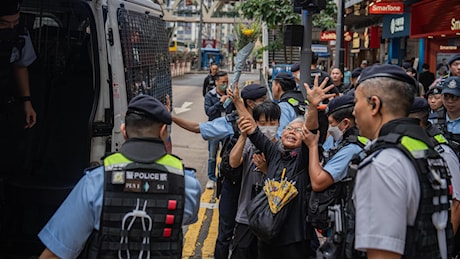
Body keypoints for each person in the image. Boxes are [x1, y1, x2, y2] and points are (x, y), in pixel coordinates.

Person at [38, 95, 201, 258]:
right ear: (163, 131)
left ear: (123, 131)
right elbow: (188, 218)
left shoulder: (95, 182)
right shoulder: (188, 185)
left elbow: (56, 252)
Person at [351, 64, 452, 258]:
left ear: (374, 105)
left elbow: (383, 254)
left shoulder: (383, 164)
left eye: (356, 102)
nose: (354, 111)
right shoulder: (426, 151)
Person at [172, 83, 268, 259]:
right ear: (250, 103)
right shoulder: (231, 122)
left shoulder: (271, 121)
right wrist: (171, 117)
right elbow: (198, 127)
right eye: (262, 100)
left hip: (261, 186)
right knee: (225, 233)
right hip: (234, 185)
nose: (266, 103)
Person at [232, 81, 319, 259]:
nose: (291, 132)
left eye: (297, 131)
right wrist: (238, 103)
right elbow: (252, 129)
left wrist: (312, 105)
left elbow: (311, 129)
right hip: (268, 235)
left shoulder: (302, 157)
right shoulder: (273, 152)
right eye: (288, 129)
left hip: (294, 238)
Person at [228, 100, 281, 259]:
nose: (268, 127)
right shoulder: (250, 144)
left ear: (279, 122)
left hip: (271, 218)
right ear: (256, 123)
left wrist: (266, 170)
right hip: (246, 215)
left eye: (272, 122)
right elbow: (233, 162)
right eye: (263, 123)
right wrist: (243, 136)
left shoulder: (282, 147)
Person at [409, 97, 460, 237]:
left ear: (418, 123)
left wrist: (448, 248)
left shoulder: (442, 151)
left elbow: (457, 203)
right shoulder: (414, 144)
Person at [1, 0, 37, 129]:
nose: (11, 28)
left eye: (15, 23)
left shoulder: (20, 36)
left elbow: (20, 66)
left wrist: (26, 101)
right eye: (4, 24)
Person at [203, 70, 233, 189]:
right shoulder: (210, 95)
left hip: (227, 129)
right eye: (222, 82)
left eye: (226, 81)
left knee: (228, 154)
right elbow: (208, 112)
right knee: (212, 155)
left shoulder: (230, 94)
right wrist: (220, 103)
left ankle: (225, 175)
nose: (225, 84)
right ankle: (211, 178)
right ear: (216, 82)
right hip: (214, 129)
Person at [271, 72, 307, 139]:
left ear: (277, 87)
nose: (272, 89)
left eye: (273, 85)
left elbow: (281, 134)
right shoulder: (302, 100)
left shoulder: (283, 106)